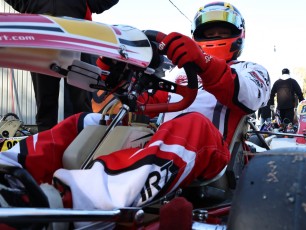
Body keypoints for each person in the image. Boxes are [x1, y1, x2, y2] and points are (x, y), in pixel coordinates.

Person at [0, 2, 270, 228]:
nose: (214, 37)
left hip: (213, 153)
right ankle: (10, 171)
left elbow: (247, 95)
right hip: (167, 147)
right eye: (208, 31)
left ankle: (70, 200)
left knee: (192, 124)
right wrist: (116, 75)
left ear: (238, 36)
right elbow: (143, 103)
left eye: (222, 31)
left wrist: (204, 64)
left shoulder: (250, 70)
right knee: (90, 121)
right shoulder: (181, 79)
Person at [4, 0, 120, 132]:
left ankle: (84, 145)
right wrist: (28, 4)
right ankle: (46, 147)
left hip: (78, 40)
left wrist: (86, 3)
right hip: (43, 42)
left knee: (81, 103)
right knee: (45, 104)